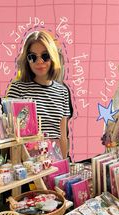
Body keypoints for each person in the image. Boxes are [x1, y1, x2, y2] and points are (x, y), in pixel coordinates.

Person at [7, 30, 72, 158]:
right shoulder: (17, 89)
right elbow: (10, 136)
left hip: (55, 161)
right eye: (33, 57)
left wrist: (65, 164)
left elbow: (62, 136)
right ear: (27, 60)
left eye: (45, 55)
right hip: (28, 164)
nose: (39, 61)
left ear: (53, 57)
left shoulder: (62, 91)